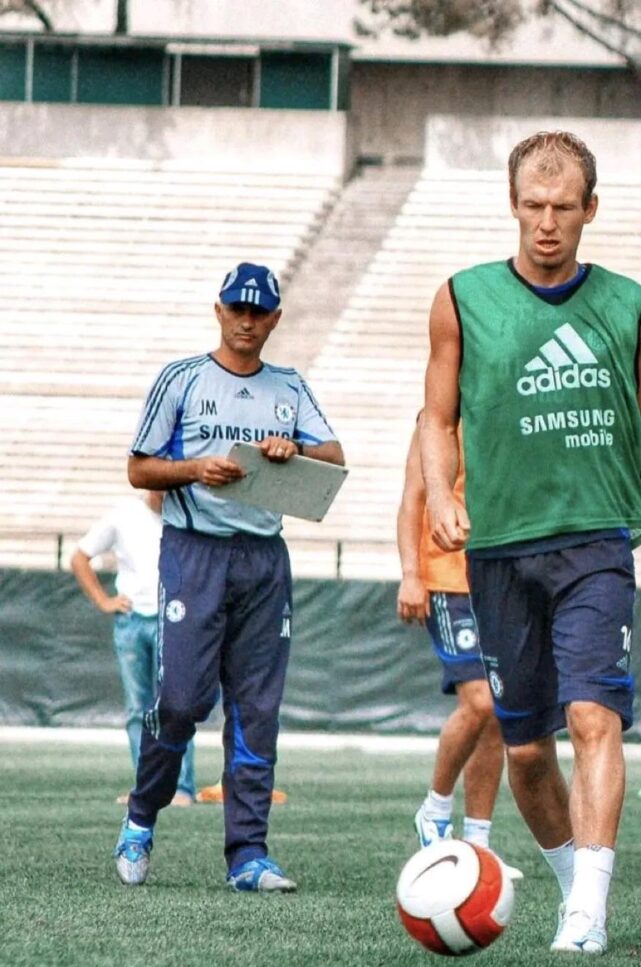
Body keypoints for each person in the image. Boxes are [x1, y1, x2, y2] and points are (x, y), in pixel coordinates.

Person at [420, 131, 641, 955]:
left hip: (595, 544)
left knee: (591, 715)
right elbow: (435, 418)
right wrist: (437, 493)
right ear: (512, 206)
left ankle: (587, 914)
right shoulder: (460, 298)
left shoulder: (626, 305)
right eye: (533, 207)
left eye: (563, 208)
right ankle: (575, 886)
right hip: (496, 549)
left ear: (589, 211)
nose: (547, 223)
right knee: (528, 750)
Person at [113, 262, 344, 892]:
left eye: (259, 311)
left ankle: (248, 855)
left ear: (274, 319)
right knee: (182, 701)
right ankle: (141, 816)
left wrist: (290, 450)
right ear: (218, 311)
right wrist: (194, 470)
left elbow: (334, 458)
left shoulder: (290, 387)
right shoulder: (182, 379)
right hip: (195, 553)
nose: (247, 320)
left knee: (256, 709)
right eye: (237, 308)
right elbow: (139, 469)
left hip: (264, 560)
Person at [397, 416, 508, 857]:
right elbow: (414, 498)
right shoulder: (435, 418)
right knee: (479, 700)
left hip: (500, 576)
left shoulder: (507, 404)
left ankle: (478, 842)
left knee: (499, 712)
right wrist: (410, 574)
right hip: (448, 577)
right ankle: (436, 808)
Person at [71, 490, 196, 806]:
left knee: (175, 707)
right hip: (130, 622)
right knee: (137, 709)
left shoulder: (188, 515)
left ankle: (181, 787)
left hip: (174, 620)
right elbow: (79, 556)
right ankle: (148, 788)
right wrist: (103, 600)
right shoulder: (123, 514)